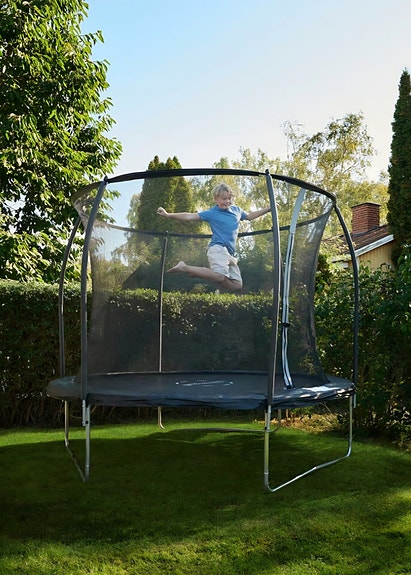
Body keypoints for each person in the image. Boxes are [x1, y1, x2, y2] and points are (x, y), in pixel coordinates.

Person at [156, 182, 271, 292]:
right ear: (216, 199)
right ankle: (184, 267)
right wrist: (168, 215)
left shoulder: (237, 210)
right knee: (219, 276)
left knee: (236, 286)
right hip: (218, 248)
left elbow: (250, 216)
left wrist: (268, 208)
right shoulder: (212, 213)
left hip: (231, 253)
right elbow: (189, 216)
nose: (228, 201)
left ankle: (201, 274)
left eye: (230, 198)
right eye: (224, 199)